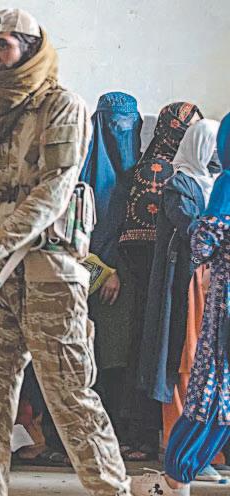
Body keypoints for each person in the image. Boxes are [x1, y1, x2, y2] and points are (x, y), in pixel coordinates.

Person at [0, 9, 130, 494]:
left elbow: (53, 193)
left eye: (2, 46)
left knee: (70, 396)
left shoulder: (63, 106)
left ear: (29, 48)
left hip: (49, 272)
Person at [132, 112, 230, 495]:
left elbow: (204, 241)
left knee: (209, 380)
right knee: (195, 372)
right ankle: (183, 468)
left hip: (218, 300)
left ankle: (181, 472)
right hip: (192, 290)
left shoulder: (222, 187)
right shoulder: (180, 184)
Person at [118, 102, 203, 461]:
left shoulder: (191, 176)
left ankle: (151, 436)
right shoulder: (168, 178)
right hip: (155, 278)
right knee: (157, 351)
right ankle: (148, 435)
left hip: (162, 277)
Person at [79, 92, 143, 445]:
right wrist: (104, 271)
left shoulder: (146, 177)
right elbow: (65, 239)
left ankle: (123, 434)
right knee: (92, 361)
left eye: (129, 125)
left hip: (135, 285)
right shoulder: (78, 177)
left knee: (125, 362)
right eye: (115, 125)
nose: (122, 132)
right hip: (89, 284)